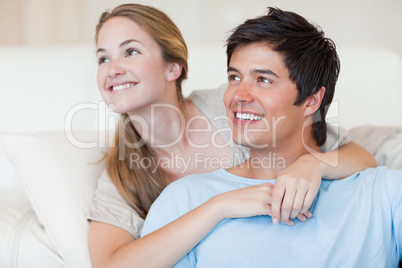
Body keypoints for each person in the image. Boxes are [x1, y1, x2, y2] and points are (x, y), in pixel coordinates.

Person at [87, 4, 377, 267]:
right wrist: (218, 206)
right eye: (102, 59)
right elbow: (109, 265)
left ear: (173, 67)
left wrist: (313, 164)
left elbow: (360, 156)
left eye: (131, 52)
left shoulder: (230, 107)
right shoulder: (120, 174)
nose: (112, 69)